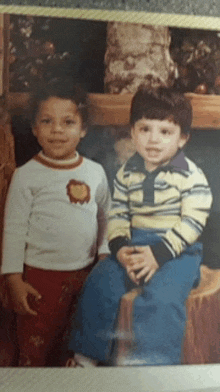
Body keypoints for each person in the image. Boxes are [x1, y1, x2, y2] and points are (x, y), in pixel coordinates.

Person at [67, 86, 213, 367]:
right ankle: (86, 356)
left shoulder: (192, 177)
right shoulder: (127, 172)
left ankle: (151, 366)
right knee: (100, 283)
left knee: (161, 299)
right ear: (132, 133)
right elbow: (119, 212)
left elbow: (192, 222)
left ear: (182, 138)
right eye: (145, 129)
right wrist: (120, 248)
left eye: (165, 132)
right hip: (134, 243)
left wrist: (158, 255)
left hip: (177, 251)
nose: (153, 140)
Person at [1, 78, 111, 367]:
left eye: (68, 122)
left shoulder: (95, 172)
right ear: (35, 128)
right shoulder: (27, 175)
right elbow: (13, 228)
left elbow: (106, 217)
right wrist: (13, 279)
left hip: (85, 277)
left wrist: (104, 255)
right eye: (47, 121)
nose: (57, 130)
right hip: (39, 280)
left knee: (73, 348)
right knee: (35, 350)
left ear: (83, 128)